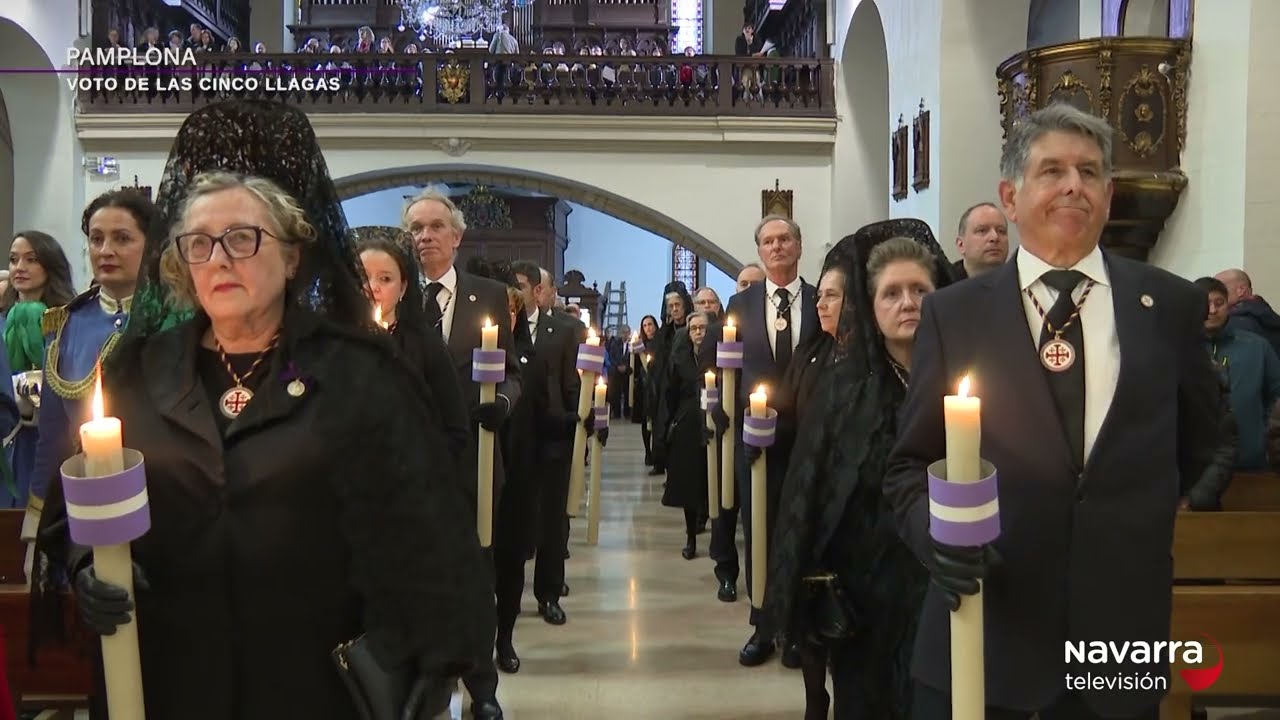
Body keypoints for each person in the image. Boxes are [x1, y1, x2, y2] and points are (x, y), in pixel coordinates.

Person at [36, 99, 494, 719]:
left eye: (242, 239)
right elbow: (78, 508)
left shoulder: (361, 375)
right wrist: (92, 565)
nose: (219, 258)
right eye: (199, 243)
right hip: (173, 679)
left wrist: (431, 667)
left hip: (314, 683)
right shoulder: (137, 373)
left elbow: (428, 536)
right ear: (179, 263)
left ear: (292, 254)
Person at [884, 103, 1219, 719]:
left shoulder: (1168, 307)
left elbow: (1199, 446)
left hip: (1118, 643)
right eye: (1053, 171)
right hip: (987, 630)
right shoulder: (955, 315)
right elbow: (908, 468)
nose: (1074, 185)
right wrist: (936, 538)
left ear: (1110, 196)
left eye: (1090, 173)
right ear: (1010, 196)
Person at [763, 221, 956, 720]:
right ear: (869, 308)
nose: (908, 303)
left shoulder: (965, 385)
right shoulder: (843, 392)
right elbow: (811, 497)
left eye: (920, 290)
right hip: (866, 605)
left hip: (949, 587)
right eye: (891, 293)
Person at [24, 190, 153, 549]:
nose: (105, 250)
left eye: (122, 238)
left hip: (167, 508)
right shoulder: (67, 323)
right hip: (87, 511)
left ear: (152, 245)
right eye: (96, 239)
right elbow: (51, 436)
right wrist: (37, 526)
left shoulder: (179, 318)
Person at [357, 235, 469, 463]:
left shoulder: (426, 346)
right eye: (362, 277)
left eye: (385, 279)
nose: (372, 288)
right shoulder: (329, 342)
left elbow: (456, 431)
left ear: (403, 288)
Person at [2, 231, 74, 510]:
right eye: (14, 260)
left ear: (49, 265)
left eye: (31, 260)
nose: (20, 267)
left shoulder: (67, 320)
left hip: (49, 443)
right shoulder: (2, 321)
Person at [661, 309, 713, 559]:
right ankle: (691, 536)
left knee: (713, 482)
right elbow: (670, 393)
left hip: (714, 423)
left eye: (703, 328)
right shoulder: (680, 359)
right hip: (688, 424)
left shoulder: (720, 354)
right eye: (694, 329)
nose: (698, 332)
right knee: (690, 485)